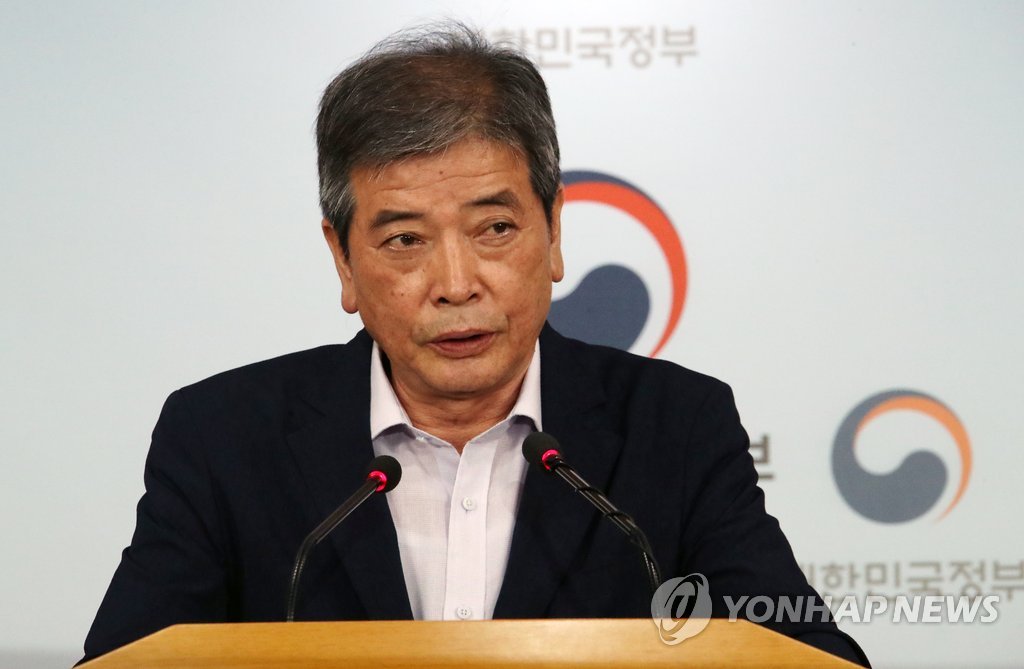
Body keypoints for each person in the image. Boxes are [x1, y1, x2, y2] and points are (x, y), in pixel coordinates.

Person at [82, 24, 869, 666]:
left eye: (494, 228)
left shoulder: (678, 426)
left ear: (553, 232)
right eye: (405, 240)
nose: (456, 283)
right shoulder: (222, 437)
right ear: (343, 260)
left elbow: (809, 655)